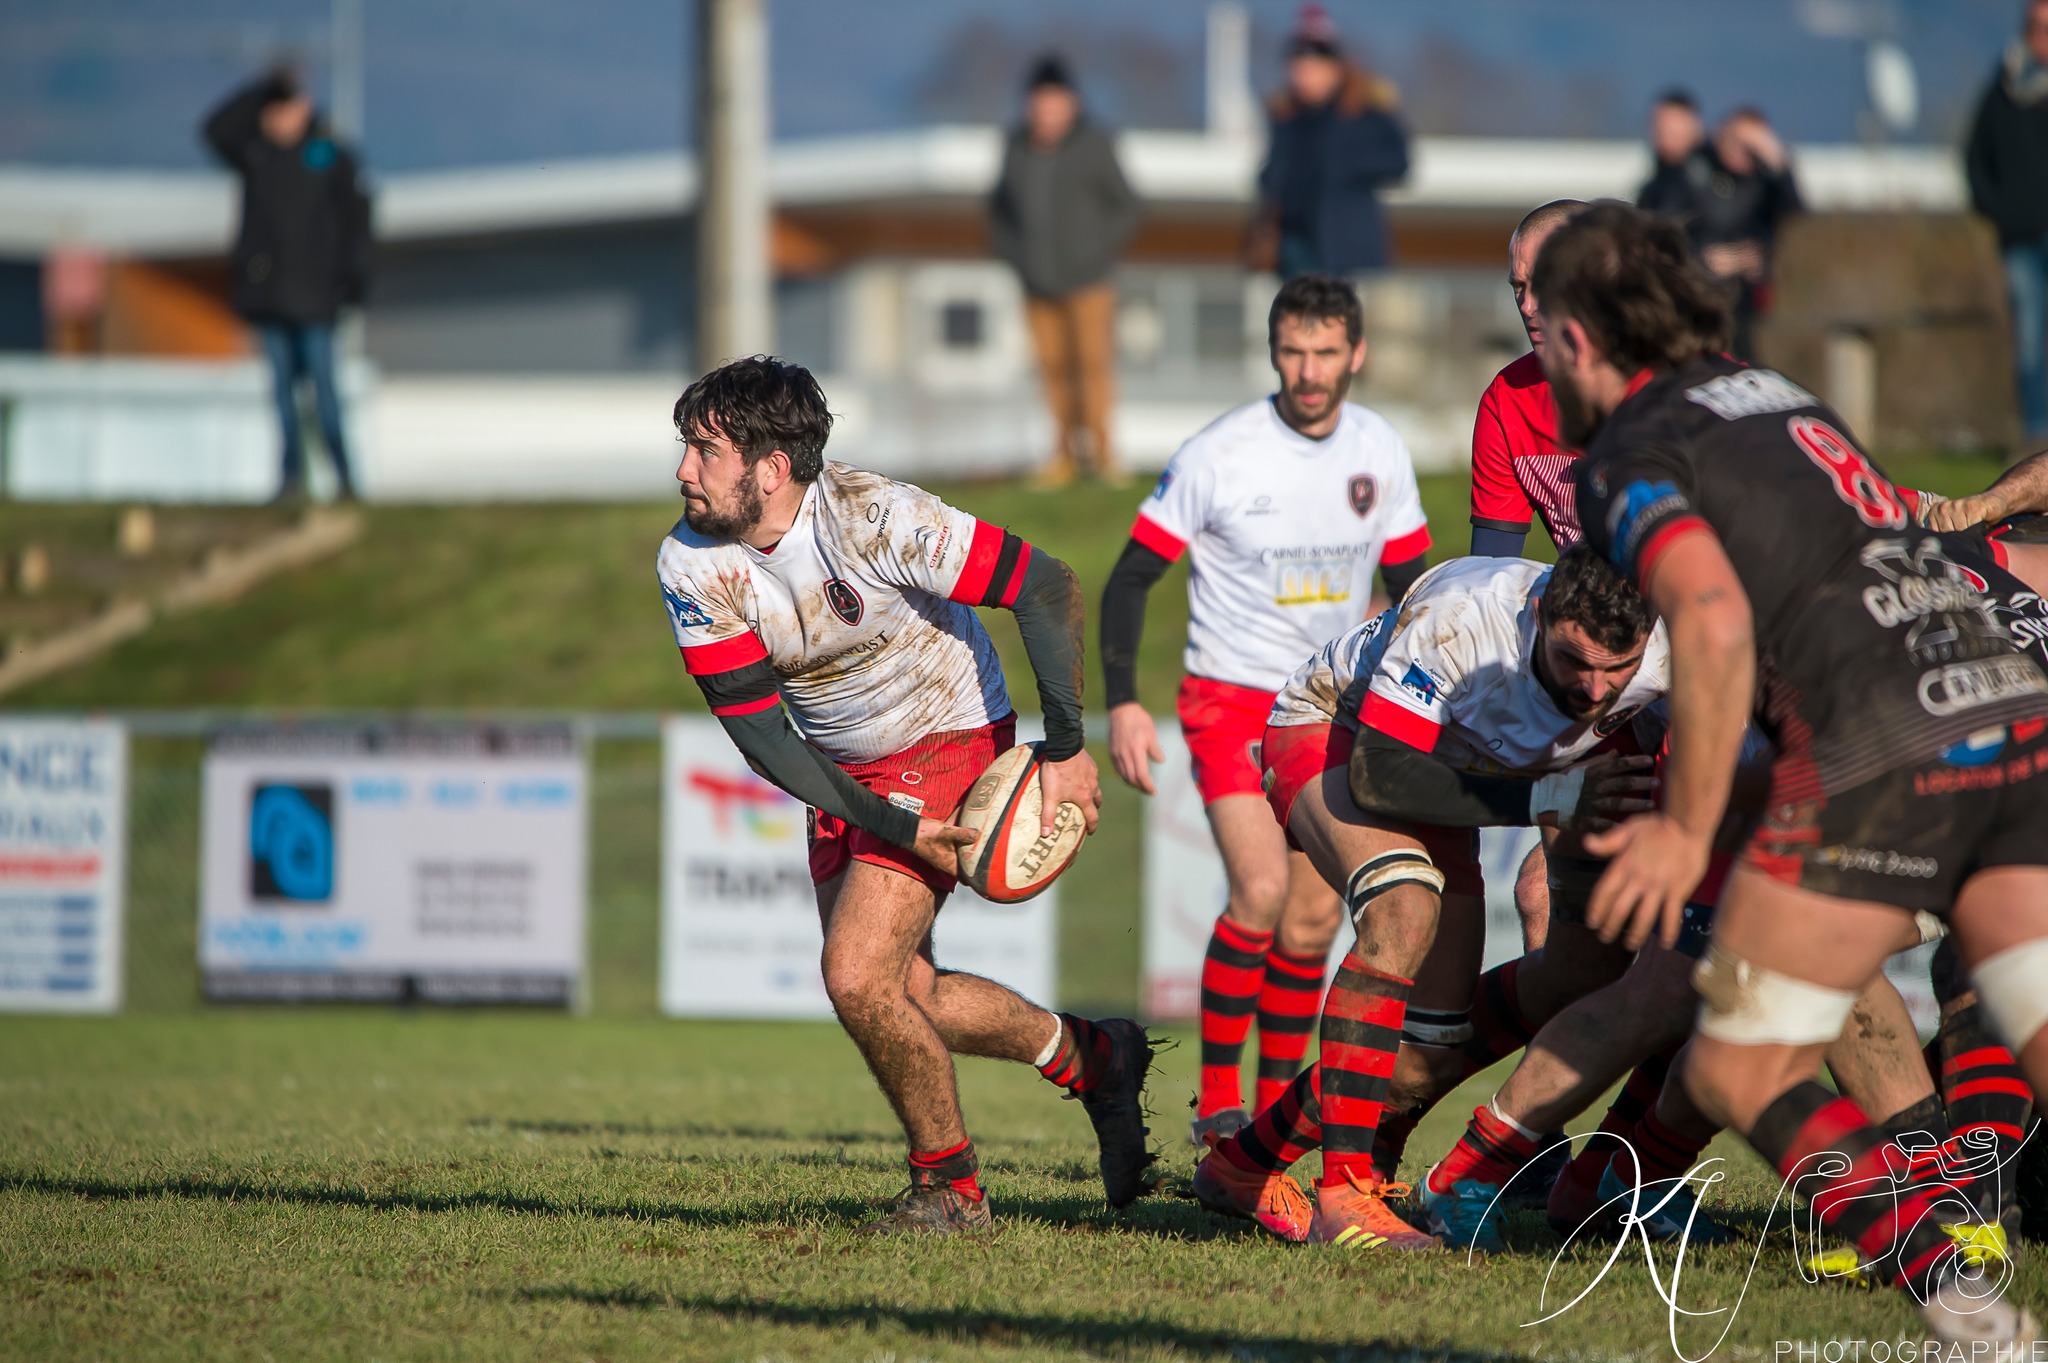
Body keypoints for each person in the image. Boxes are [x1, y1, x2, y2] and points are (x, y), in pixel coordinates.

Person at [1541, 201, 2048, 1344]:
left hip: (1878, 744)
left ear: (1575, 337)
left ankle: (1973, 1320)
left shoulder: (1628, 453)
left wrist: (1681, 824)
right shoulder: (1777, 395)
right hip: (2006, 704)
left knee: (1734, 1062)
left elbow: (1711, 626)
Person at [656, 356, 1154, 1234]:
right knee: (904, 995)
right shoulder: (691, 562)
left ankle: (951, 1189)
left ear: (771, 469)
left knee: (855, 977)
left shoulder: (877, 516)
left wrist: (1072, 749)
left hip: (949, 732)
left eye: (704, 449)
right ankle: (1094, 1057)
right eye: (686, 449)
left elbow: (1044, 586)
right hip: (845, 770)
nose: (684, 471)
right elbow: (763, 734)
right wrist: (889, 822)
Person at [1190, 548, 1668, 1251]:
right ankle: (1344, 1195)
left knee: (1522, 1000)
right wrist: (1550, 796)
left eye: (1615, 669)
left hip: (1466, 773)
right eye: (1573, 662)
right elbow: (1382, 776)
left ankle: (1242, 1164)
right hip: (1340, 734)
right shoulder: (1462, 618)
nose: (1595, 688)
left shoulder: (1670, 651)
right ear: (1539, 615)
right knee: (1403, 907)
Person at [1098, 274, 1431, 1148]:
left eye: (1326, 352)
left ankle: (1275, 1114)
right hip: (1230, 700)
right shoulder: (1221, 452)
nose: (1309, 370)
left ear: (1356, 352)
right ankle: (1218, 1106)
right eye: (1293, 351)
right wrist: (1125, 702)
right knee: (1260, 887)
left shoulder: (1380, 451)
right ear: (1273, 350)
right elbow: (1132, 577)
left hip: (1328, 704)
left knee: (1316, 917)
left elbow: (1415, 589)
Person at [201, 69, 370, 502]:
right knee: (282, 399)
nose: (278, 119)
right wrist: (261, 88)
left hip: (317, 299)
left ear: (305, 109)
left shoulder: (329, 157)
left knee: (324, 394)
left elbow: (358, 222)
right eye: (271, 111)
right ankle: (291, 480)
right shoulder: (258, 157)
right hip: (269, 297)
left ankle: (345, 480)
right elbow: (214, 130)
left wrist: (351, 281)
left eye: (285, 107)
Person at [989, 55, 1142, 490]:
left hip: (1090, 281)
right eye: (1039, 102)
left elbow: (1128, 206)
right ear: (1028, 105)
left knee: (1093, 367)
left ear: (1071, 103)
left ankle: (1105, 456)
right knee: (1052, 370)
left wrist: (1096, 252)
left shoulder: (1094, 144)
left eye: (1055, 102)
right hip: (1036, 281)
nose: (1046, 111)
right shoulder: (1016, 147)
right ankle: (1062, 458)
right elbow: (998, 210)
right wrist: (1014, 256)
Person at [1253, 5, 1410, 279]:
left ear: (1334, 68)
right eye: (1298, 66)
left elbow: (1399, 163)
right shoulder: (1287, 118)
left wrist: (1341, 167)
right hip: (1295, 245)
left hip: (1350, 249)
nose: (1303, 75)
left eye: (1312, 66)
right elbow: (1273, 174)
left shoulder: (1364, 113)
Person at [1470, 200, 1589, 558]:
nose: (1526, 306)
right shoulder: (1507, 400)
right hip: (1587, 607)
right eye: (1518, 286)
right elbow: (1489, 578)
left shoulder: (1677, 385)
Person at [1967, 0, 2048, 442]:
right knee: (2030, 342)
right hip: (2020, 236)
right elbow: (1976, 159)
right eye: (2037, 27)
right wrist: (1999, 209)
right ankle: (2036, 439)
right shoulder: (2004, 90)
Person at [1634, 91, 1709, 224]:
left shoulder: (1710, 181)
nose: (1663, 133)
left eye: (1673, 129)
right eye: (1658, 125)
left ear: (1696, 127)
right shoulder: (1652, 189)